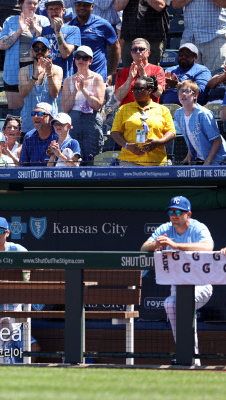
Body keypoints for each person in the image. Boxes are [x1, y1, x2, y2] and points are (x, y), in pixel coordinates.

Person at [141, 196, 213, 366]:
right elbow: (144, 247)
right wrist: (155, 245)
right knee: (171, 305)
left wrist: (176, 245)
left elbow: (208, 246)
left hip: (201, 286)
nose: (174, 215)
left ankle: (188, 355)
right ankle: (188, 354)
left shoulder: (197, 227)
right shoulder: (166, 228)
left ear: (188, 214)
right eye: (171, 212)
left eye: (178, 212)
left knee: (180, 304)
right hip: (177, 287)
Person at [0, 217, 41, 363]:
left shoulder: (17, 249)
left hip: (13, 308)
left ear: (7, 233)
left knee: (17, 347)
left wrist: (26, 269)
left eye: (0, 231)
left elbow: (34, 264)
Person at [110, 76, 176, 166]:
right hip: (129, 161)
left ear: (149, 90)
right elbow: (115, 132)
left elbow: (171, 132)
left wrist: (158, 142)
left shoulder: (162, 110)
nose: (135, 91)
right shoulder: (124, 109)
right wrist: (127, 145)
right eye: (134, 89)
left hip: (157, 161)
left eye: (139, 89)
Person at [0, 0, 49, 114]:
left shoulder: (43, 20)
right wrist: (20, 30)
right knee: (15, 113)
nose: (32, 6)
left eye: (35, 3)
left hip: (37, 72)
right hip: (13, 73)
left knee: (36, 112)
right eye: (29, 3)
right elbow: (2, 45)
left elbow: (48, 48)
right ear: (20, 4)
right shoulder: (10, 21)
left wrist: (37, 31)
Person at [60, 45, 104, 164]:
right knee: (73, 155)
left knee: (92, 157)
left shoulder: (97, 78)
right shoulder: (68, 80)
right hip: (73, 120)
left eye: (85, 58)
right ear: (74, 59)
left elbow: (97, 105)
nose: (81, 60)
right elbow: (65, 108)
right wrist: (75, 91)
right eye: (78, 57)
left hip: (91, 120)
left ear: (91, 61)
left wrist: (84, 89)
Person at [68, 0, 120, 85]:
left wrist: (111, 74)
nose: (81, 7)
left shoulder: (103, 25)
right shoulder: (68, 26)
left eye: (85, 5)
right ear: (75, 6)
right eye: (79, 5)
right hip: (74, 81)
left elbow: (116, 48)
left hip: (98, 80)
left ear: (92, 6)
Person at [18, 36, 62, 133]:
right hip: (29, 123)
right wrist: (35, 76)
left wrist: (49, 73)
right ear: (32, 51)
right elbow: (22, 94)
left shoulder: (57, 69)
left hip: (49, 124)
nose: (39, 51)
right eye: (36, 49)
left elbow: (54, 94)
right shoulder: (24, 70)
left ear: (49, 52)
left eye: (43, 49)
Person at [175, 80, 226, 165]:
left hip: (219, 160)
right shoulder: (178, 114)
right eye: (181, 91)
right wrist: (189, 155)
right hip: (200, 159)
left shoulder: (203, 114)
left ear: (195, 95)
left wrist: (208, 162)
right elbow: (191, 137)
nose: (183, 94)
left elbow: (217, 141)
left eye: (187, 91)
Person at [172, 0, 226, 72]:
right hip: (190, 37)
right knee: (188, 77)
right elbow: (175, 4)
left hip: (214, 36)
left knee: (217, 75)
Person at [114, 0, 169, 67]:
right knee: (128, 71)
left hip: (153, 35)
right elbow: (117, 6)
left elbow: (160, 6)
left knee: (151, 73)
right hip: (130, 35)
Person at [115, 38, 165, 107]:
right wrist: (130, 79)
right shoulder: (122, 72)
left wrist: (144, 76)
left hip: (149, 112)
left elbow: (158, 93)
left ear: (148, 53)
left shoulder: (157, 69)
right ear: (131, 53)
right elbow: (118, 97)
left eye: (141, 49)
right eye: (135, 50)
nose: (138, 52)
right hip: (128, 113)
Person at [39, 0, 80, 79]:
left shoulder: (73, 30)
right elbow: (32, 55)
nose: (54, 13)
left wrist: (57, 31)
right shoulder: (42, 31)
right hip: (45, 80)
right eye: (51, 9)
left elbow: (65, 54)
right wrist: (37, 36)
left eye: (57, 9)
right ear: (47, 11)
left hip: (64, 80)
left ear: (63, 10)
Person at [18, 101, 58, 166]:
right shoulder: (29, 137)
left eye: (40, 114)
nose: (36, 117)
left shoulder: (59, 136)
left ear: (50, 118)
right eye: (33, 114)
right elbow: (23, 166)